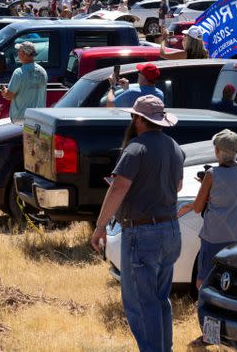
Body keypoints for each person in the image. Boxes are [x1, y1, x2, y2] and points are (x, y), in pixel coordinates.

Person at [90, 95, 183, 352]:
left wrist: (100, 227)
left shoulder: (135, 149)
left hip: (143, 233)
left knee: (141, 304)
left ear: (139, 120)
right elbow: (177, 187)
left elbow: (119, 188)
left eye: (134, 116)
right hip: (171, 230)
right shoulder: (175, 147)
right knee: (160, 299)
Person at [179, 129, 237, 345]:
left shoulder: (212, 174)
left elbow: (199, 207)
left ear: (218, 151)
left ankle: (209, 335)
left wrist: (204, 186)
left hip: (215, 237)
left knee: (205, 284)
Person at [0, 41, 47, 122]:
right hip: (39, 118)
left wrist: (4, 91)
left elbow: (8, 96)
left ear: (25, 54)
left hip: (21, 119)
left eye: (19, 51)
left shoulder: (19, 72)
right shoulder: (43, 71)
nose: (17, 53)